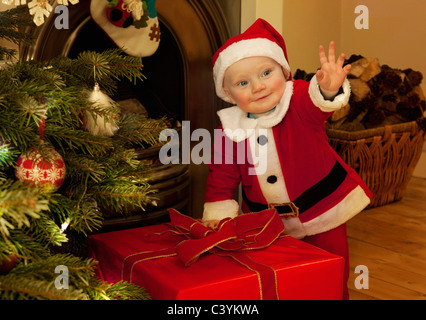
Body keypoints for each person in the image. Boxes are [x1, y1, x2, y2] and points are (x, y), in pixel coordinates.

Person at [201, 18, 373, 299]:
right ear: (229, 94)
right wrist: (218, 215)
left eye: (266, 73)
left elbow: (319, 105)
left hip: (322, 209)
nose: (258, 87)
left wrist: (328, 88)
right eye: (243, 82)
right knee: (282, 278)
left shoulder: (298, 99)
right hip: (267, 224)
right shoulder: (229, 128)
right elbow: (221, 174)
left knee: (331, 270)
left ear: (283, 71)